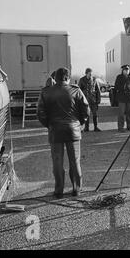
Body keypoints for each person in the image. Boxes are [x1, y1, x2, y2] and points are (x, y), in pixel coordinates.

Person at [37, 68, 90, 198]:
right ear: (67, 78)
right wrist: (80, 123)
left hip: (55, 130)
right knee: (75, 161)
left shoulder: (46, 91)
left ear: (56, 77)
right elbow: (86, 109)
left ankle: (59, 190)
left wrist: (49, 125)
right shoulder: (75, 90)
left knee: (57, 162)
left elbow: (40, 113)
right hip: (73, 130)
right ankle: (77, 189)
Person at [114, 64, 130, 132]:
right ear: (122, 70)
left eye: (128, 69)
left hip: (129, 98)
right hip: (122, 98)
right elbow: (116, 87)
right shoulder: (119, 77)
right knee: (121, 114)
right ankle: (120, 128)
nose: (127, 71)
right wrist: (123, 87)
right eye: (125, 70)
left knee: (129, 113)